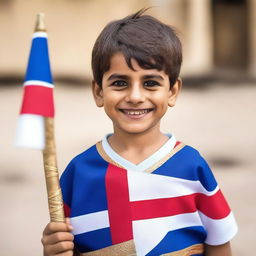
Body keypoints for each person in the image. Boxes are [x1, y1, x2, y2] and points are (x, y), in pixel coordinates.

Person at [41, 9, 238, 256]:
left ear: (173, 91)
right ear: (98, 92)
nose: (135, 96)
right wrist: (53, 249)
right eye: (120, 83)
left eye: (150, 83)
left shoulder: (192, 166)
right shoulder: (78, 172)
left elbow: (219, 243)